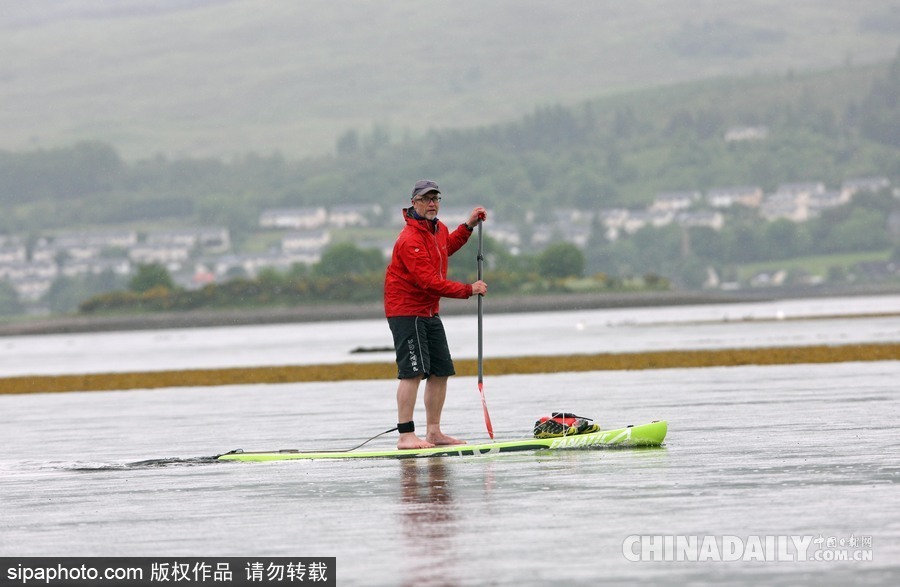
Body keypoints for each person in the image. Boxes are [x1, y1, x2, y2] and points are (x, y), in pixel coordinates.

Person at [384, 179, 488, 449]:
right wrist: (468, 289)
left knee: (441, 371)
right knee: (412, 372)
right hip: (406, 312)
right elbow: (428, 282)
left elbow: (446, 247)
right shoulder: (409, 239)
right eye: (426, 199)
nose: (432, 203)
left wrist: (468, 226)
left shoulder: (438, 229)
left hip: (429, 311)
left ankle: (434, 432)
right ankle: (406, 435)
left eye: (435, 199)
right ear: (414, 203)